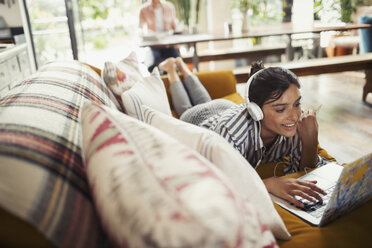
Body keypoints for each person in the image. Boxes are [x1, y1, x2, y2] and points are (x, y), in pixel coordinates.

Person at [159, 57, 329, 208]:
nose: (294, 116)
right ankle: (173, 70)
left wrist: (311, 139)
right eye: (280, 109)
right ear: (256, 110)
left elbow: (304, 171)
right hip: (199, 119)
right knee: (188, 108)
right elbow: (218, 184)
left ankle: (181, 66)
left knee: (205, 99)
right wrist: (268, 184)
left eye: (297, 104)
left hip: (226, 108)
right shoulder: (232, 133)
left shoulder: (294, 124)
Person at [139, 0, 180, 72]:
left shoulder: (169, 7)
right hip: (154, 46)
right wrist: (145, 34)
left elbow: (174, 27)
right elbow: (140, 29)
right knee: (152, 66)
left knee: (177, 62)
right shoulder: (143, 10)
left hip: (169, 45)